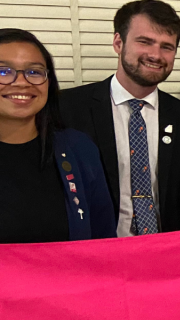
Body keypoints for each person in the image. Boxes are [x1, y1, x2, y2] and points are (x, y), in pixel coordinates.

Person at [60, 0, 180, 235]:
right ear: (118, 43)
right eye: (145, 42)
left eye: (167, 47)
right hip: (95, 248)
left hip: (168, 249)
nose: (155, 55)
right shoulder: (67, 108)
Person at [0, 28, 115, 243]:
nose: (22, 82)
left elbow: (103, 241)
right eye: (3, 71)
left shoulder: (78, 148)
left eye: (34, 72)